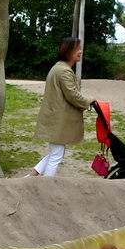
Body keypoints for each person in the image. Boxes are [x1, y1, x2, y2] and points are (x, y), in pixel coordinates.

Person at [28, 37, 95, 178]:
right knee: (56, 155)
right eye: (77, 49)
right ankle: (47, 186)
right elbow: (73, 95)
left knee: (55, 152)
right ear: (68, 51)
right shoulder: (64, 71)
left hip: (55, 118)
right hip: (58, 119)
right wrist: (87, 101)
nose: (80, 51)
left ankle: (31, 177)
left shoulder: (59, 68)